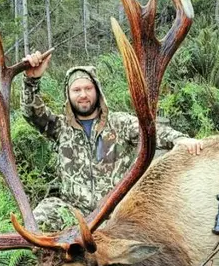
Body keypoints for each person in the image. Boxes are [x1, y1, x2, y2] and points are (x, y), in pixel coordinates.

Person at [21, 50, 205, 231]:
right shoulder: (60, 128)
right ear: (68, 95)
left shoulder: (120, 123)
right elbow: (32, 113)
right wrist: (31, 80)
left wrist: (180, 139)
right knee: (40, 218)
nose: (83, 94)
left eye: (88, 88)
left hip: (116, 213)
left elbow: (151, 131)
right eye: (76, 90)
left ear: (97, 91)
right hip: (74, 213)